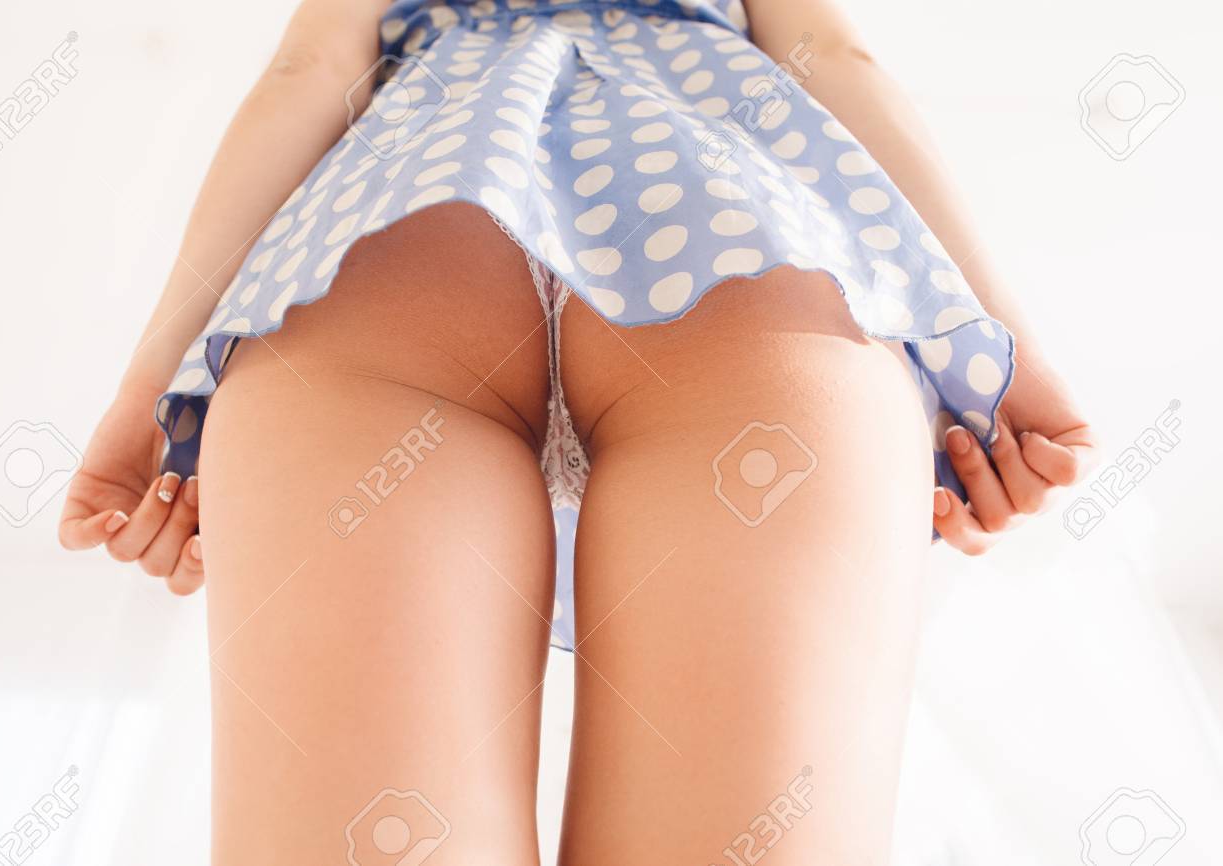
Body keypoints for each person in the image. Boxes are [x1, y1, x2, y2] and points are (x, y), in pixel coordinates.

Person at [58, 0, 1097, 861]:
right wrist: (1004, 355)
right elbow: (834, 57)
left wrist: (150, 393)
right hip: (726, 233)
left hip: (400, 228)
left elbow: (310, 72)